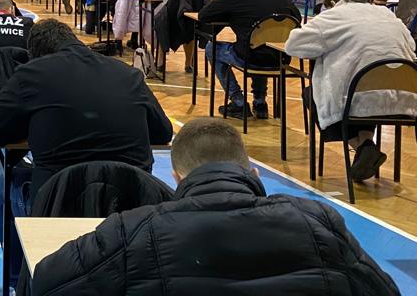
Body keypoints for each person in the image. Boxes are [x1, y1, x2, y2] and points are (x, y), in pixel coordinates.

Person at [31, 117, 401, 296]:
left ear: (177, 176)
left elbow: (46, 280)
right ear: (253, 172)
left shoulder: (134, 230)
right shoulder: (317, 221)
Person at [0, 18, 172, 199]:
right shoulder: (129, 74)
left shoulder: (32, 74)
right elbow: (163, 133)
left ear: (36, 55)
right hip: (134, 202)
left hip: (58, 203)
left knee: (10, 187)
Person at [286, 0, 417, 183]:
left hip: (357, 97)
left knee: (314, 95)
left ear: (332, 3)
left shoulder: (333, 16)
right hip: (404, 99)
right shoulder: (388, 15)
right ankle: (366, 145)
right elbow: (411, 46)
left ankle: (361, 146)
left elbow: (293, 45)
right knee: (366, 97)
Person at [197, 0, 300, 119]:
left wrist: (231, 14)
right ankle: (260, 103)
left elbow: (204, 15)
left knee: (213, 48)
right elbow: (296, 18)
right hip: (281, 57)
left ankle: (238, 102)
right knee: (261, 44)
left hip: (250, 57)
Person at [146, 0, 214, 72]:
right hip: (192, 21)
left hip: (170, 21)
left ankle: (161, 62)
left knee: (161, 24)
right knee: (189, 28)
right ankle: (188, 64)